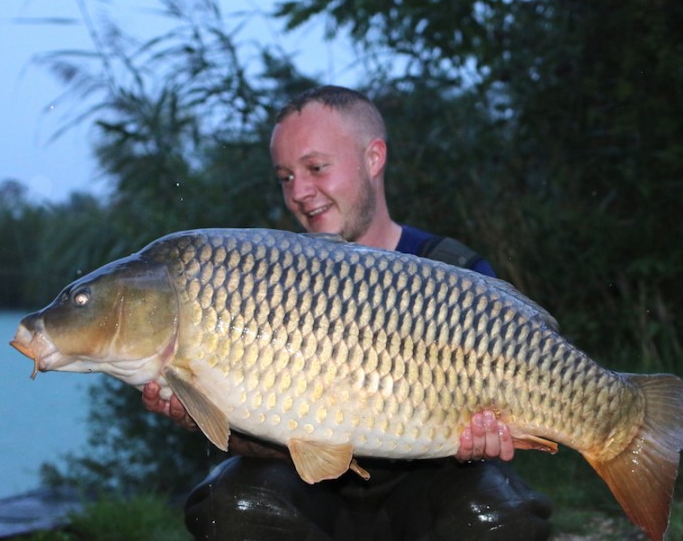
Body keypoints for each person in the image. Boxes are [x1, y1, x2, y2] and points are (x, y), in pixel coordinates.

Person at [143, 85, 552, 540]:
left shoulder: (456, 274)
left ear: (373, 158)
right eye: (285, 177)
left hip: (426, 487)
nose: (299, 191)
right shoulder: (262, 280)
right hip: (313, 493)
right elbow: (270, 435)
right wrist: (199, 411)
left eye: (316, 167)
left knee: (500, 514)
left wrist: (482, 441)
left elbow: (492, 426)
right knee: (226, 506)